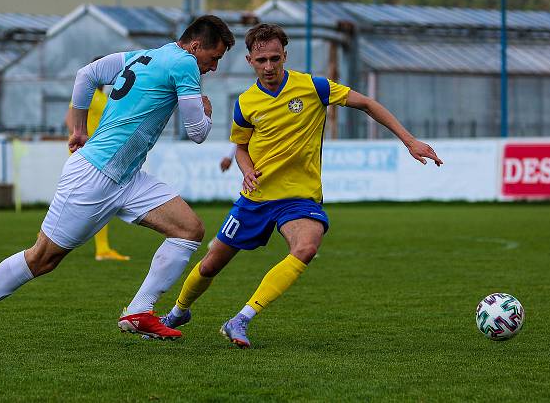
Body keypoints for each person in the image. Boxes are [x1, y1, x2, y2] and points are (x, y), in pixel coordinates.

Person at [0, 15, 235, 351]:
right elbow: (198, 133)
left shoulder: (141, 55)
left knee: (189, 229)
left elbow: (87, 74)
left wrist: (78, 129)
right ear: (196, 46)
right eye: (214, 57)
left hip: (127, 177)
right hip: (95, 176)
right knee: (43, 258)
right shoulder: (185, 63)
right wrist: (206, 110)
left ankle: (140, 310)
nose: (213, 67)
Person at [160, 23, 443, 348]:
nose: (269, 66)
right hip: (256, 198)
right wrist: (248, 169)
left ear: (285, 56)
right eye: (262, 60)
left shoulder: (313, 87)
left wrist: (409, 141)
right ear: (250, 60)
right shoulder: (246, 103)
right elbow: (240, 147)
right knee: (211, 263)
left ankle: (241, 319)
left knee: (307, 247)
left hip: (299, 197)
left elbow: (366, 103)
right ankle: (178, 312)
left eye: (275, 58)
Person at [65, 73, 130, 262]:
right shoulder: (89, 93)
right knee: (99, 197)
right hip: (87, 153)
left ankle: (44, 234)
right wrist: (77, 136)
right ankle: (102, 249)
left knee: (80, 197)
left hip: (99, 154)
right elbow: (70, 117)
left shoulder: (104, 96)